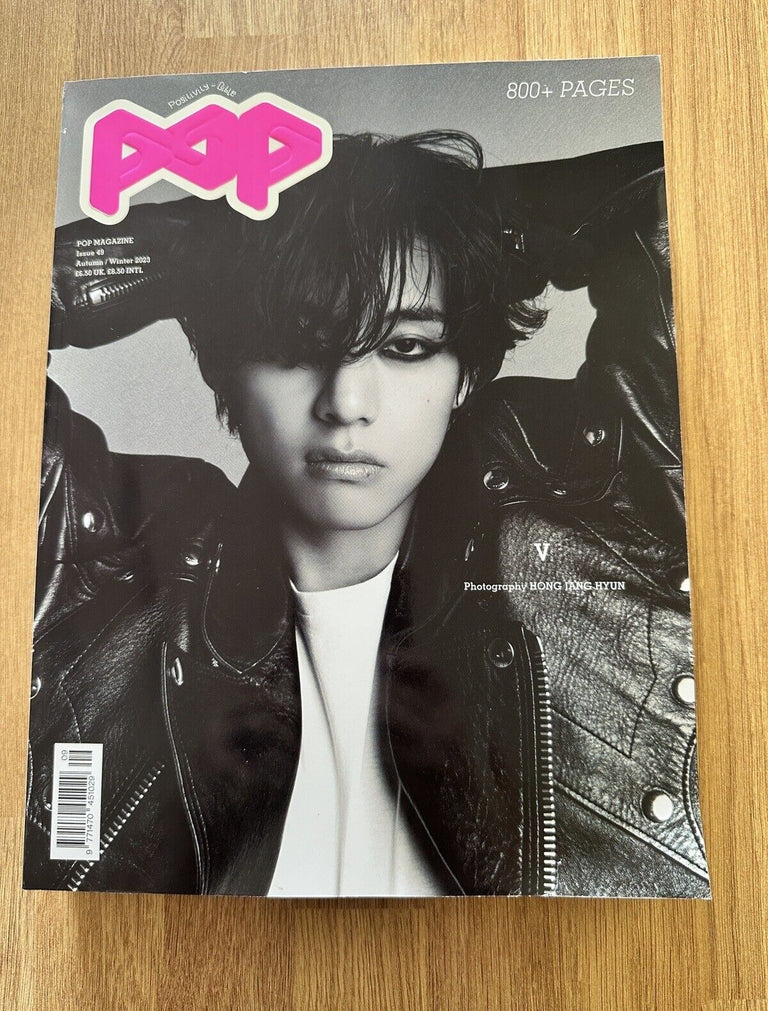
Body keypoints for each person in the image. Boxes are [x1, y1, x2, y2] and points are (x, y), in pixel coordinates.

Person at [24, 131, 709, 897]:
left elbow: (691, 197)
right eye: (296, 345)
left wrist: (472, 221)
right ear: (222, 367)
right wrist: (193, 251)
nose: (346, 403)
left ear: (466, 374)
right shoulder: (97, 577)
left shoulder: (610, 539)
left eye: (406, 347)